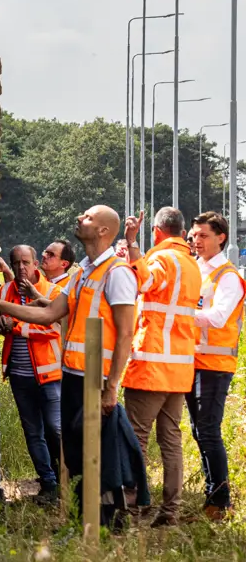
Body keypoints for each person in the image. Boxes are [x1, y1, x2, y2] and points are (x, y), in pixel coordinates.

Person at [0, 204, 147, 529]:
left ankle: (107, 524)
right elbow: (49, 313)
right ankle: (84, 522)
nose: (80, 218)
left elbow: (126, 333)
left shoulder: (118, 273)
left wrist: (111, 388)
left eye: (88, 217)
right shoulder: (82, 272)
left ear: (103, 231)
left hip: (94, 378)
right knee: (76, 455)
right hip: (71, 375)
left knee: (96, 456)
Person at [119, 206, 201, 525]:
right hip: (179, 369)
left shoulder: (162, 258)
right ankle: (170, 511)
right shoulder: (193, 266)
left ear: (156, 231)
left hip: (151, 366)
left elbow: (145, 282)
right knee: (171, 440)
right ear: (181, 231)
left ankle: (132, 507)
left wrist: (132, 244)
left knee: (135, 437)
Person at [0, 245, 62, 506]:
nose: (20, 267)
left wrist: (17, 326)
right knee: (33, 433)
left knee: (55, 430)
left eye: (25, 262)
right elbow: (2, 324)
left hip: (49, 376)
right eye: (15, 263)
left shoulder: (53, 292)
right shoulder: (4, 292)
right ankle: (48, 484)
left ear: (36, 264)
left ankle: (65, 478)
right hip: (20, 376)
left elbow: (54, 328)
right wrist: (2, 326)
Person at [189, 210, 240, 518]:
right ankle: (213, 495)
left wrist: (179, 313)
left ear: (221, 238)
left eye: (204, 236)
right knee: (198, 430)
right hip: (193, 360)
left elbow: (219, 317)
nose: (197, 241)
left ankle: (220, 501)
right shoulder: (197, 270)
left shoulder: (228, 276)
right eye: (194, 235)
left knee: (208, 430)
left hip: (215, 364)